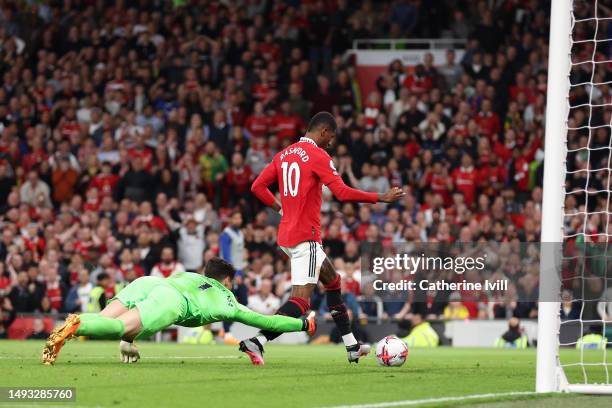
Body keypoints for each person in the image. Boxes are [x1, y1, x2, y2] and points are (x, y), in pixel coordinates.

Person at [245, 111, 404, 365]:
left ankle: (352, 345)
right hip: (305, 238)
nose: (331, 141)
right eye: (331, 136)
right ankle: (258, 341)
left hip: (287, 234)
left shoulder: (284, 154)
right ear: (323, 132)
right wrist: (380, 198)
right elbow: (341, 192)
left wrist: (279, 208)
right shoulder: (318, 155)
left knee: (333, 281)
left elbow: (257, 187)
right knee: (300, 302)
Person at [41, 258, 316, 365]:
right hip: (172, 300)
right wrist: (304, 326)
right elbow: (269, 320)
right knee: (120, 327)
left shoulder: (190, 274)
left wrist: (130, 342)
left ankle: (68, 327)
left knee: (105, 320)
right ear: (227, 282)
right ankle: (75, 326)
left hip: (150, 282)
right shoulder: (228, 300)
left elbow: (159, 288)